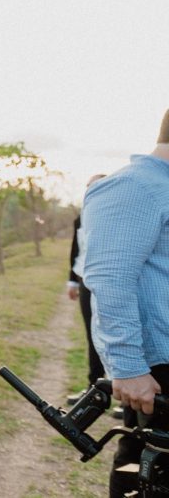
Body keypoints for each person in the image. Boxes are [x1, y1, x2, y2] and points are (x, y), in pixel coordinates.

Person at [82, 109, 169, 498]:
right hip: (160, 370)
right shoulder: (135, 186)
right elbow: (110, 279)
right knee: (148, 467)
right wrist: (129, 367)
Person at [66, 174, 107, 405]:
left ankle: (126, 399)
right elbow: (76, 250)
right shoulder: (80, 218)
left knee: (111, 335)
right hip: (84, 280)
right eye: (89, 187)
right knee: (91, 335)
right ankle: (95, 390)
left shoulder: (113, 215)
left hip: (106, 282)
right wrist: (72, 281)